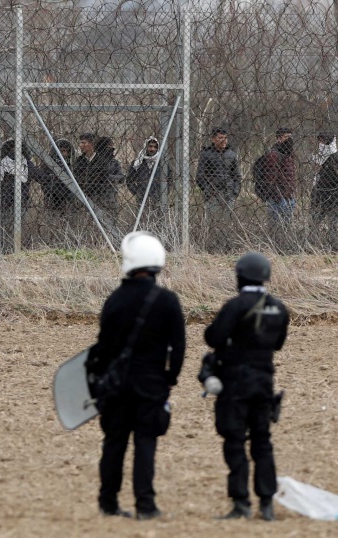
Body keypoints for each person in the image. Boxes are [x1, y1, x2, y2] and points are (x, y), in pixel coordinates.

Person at [88, 231, 186, 520]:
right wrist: (171, 378)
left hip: (116, 385)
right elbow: (178, 347)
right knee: (145, 443)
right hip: (151, 383)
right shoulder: (168, 301)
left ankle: (108, 503)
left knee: (114, 443)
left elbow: (103, 346)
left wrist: (100, 380)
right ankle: (146, 505)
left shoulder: (114, 300)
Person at [204, 252, 290, 521]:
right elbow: (278, 344)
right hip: (264, 382)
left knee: (235, 441)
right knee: (262, 441)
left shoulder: (236, 306)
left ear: (240, 277)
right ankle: (266, 503)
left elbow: (214, 337)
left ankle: (241, 502)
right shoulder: (279, 308)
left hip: (235, 382)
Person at [74, 133, 122, 224]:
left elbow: (121, 177)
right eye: (80, 143)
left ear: (92, 144)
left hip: (106, 201)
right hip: (85, 201)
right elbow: (77, 178)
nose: (80, 146)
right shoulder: (79, 162)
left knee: (108, 226)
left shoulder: (104, 161)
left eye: (83, 143)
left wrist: (106, 178)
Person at [310, 132, 338, 249]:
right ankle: (313, 244)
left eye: (322, 141)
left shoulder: (336, 160)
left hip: (333, 197)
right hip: (322, 197)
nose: (320, 144)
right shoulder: (321, 160)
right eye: (319, 141)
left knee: (332, 224)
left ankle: (335, 245)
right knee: (316, 222)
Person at [255, 128, 297, 226]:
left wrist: (292, 195)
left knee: (287, 229)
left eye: (291, 137)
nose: (290, 140)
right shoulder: (273, 155)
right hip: (277, 200)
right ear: (279, 138)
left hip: (289, 198)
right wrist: (279, 198)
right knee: (275, 228)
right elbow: (269, 179)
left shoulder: (289, 155)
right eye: (286, 137)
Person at [196, 127, 241, 217]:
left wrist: (235, 191)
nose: (224, 140)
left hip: (229, 193)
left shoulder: (231, 154)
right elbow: (200, 176)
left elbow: (237, 176)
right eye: (220, 138)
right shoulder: (206, 154)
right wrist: (207, 191)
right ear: (213, 139)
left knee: (228, 221)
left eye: (225, 138)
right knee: (213, 221)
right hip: (213, 194)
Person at [126, 136, 168, 219]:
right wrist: (137, 192)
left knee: (158, 220)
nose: (152, 149)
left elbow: (169, 179)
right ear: (146, 147)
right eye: (150, 146)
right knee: (142, 219)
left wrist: (163, 192)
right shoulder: (138, 162)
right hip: (142, 198)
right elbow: (129, 180)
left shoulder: (162, 163)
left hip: (158, 197)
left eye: (155, 147)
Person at [37, 138, 76, 212]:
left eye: (64, 151)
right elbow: (43, 179)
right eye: (60, 151)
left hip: (67, 199)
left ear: (68, 152)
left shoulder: (71, 165)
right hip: (51, 197)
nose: (61, 153)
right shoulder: (48, 164)